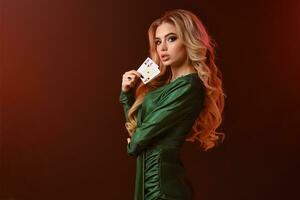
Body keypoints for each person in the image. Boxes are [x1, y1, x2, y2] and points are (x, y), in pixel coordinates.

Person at [119, 9, 226, 200]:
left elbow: (138, 140)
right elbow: (136, 127)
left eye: (171, 39)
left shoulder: (189, 87)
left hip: (163, 189)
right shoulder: (163, 86)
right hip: (149, 183)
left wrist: (135, 142)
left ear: (188, 40)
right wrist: (127, 95)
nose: (162, 48)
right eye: (158, 41)